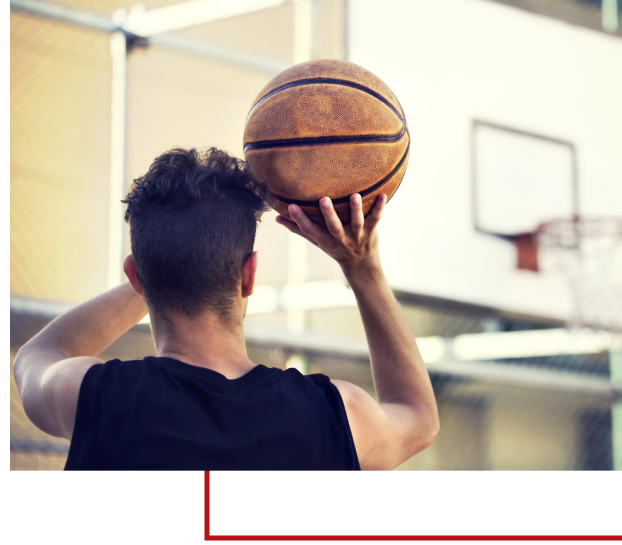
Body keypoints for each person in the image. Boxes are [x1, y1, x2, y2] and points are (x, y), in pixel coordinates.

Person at [12, 147, 439, 470]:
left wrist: (158, 268)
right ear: (249, 275)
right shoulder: (335, 413)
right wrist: (362, 267)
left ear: (136, 277)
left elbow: (34, 356)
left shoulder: (96, 396)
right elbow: (417, 418)